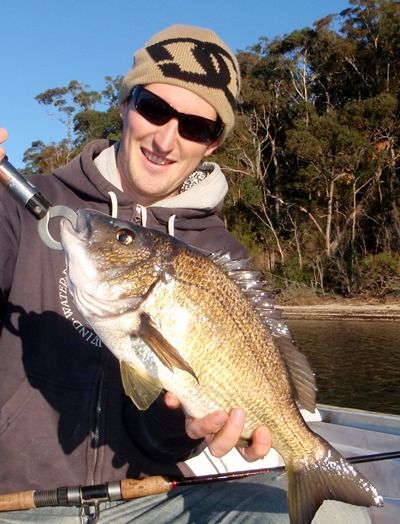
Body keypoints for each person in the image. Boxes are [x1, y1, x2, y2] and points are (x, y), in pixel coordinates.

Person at [0, 25, 372, 524]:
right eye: (154, 108)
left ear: (213, 144)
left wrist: (192, 425)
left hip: (145, 499)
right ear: (126, 105)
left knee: (336, 521)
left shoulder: (218, 252)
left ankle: (310, 468)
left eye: (196, 127)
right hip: (17, 497)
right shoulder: (23, 205)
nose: (166, 138)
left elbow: (162, 430)